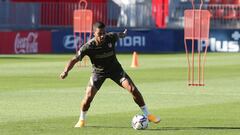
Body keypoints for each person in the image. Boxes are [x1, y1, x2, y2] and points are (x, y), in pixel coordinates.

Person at [60, 21, 160, 128]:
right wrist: (65, 71)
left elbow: (119, 35)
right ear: (94, 34)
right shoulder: (88, 47)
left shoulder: (111, 37)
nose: (103, 36)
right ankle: (81, 120)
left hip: (115, 70)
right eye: (100, 34)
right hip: (98, 73)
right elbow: (74, 60)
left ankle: (147, 114)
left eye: (104, 32)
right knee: (88, 97)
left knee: (132, 89)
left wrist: (124, 34)